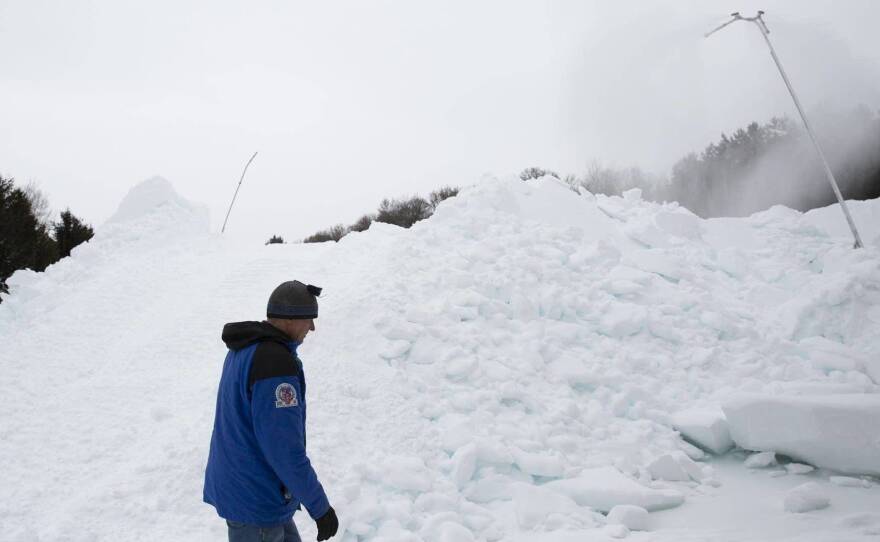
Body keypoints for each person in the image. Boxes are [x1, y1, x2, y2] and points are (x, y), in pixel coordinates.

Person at [204, 280, 339, 542]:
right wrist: (320, 508)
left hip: (250, 488)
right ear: (290, 319)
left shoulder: (246, 349)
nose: (312, 327)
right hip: (256, 498)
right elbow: (284, 449)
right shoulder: (275, 365)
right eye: (308, 319)